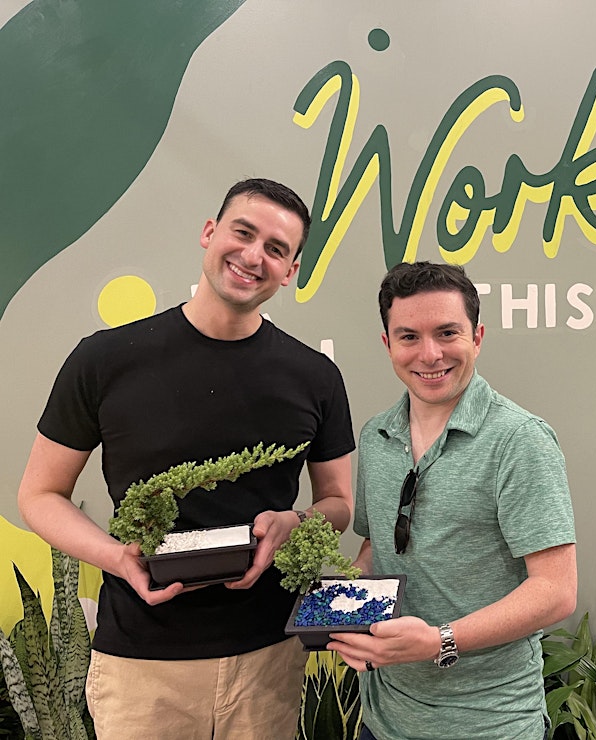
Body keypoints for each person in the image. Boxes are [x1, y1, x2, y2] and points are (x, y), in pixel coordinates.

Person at [17, 178, 355, 740]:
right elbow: (39, 494)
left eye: (276, 249)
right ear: (209, 232)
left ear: (290, 270)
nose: (253, 256)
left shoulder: (314, 376)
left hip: (267, 660)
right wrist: (118, 558)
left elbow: (338, 502)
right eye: (243, 233)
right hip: (141, 669)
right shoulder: (105, 359)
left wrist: (296, 522)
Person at [329, 261, 577, 740]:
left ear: (476, 337)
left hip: (490, 723)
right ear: (387, 344)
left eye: (447, 333)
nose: (430, 354)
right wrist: (343, 602)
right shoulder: (377, 436)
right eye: (408, 337)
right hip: (383, 719)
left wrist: (439, 640)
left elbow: (556, 591)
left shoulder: (520, 440)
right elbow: (376, 547)